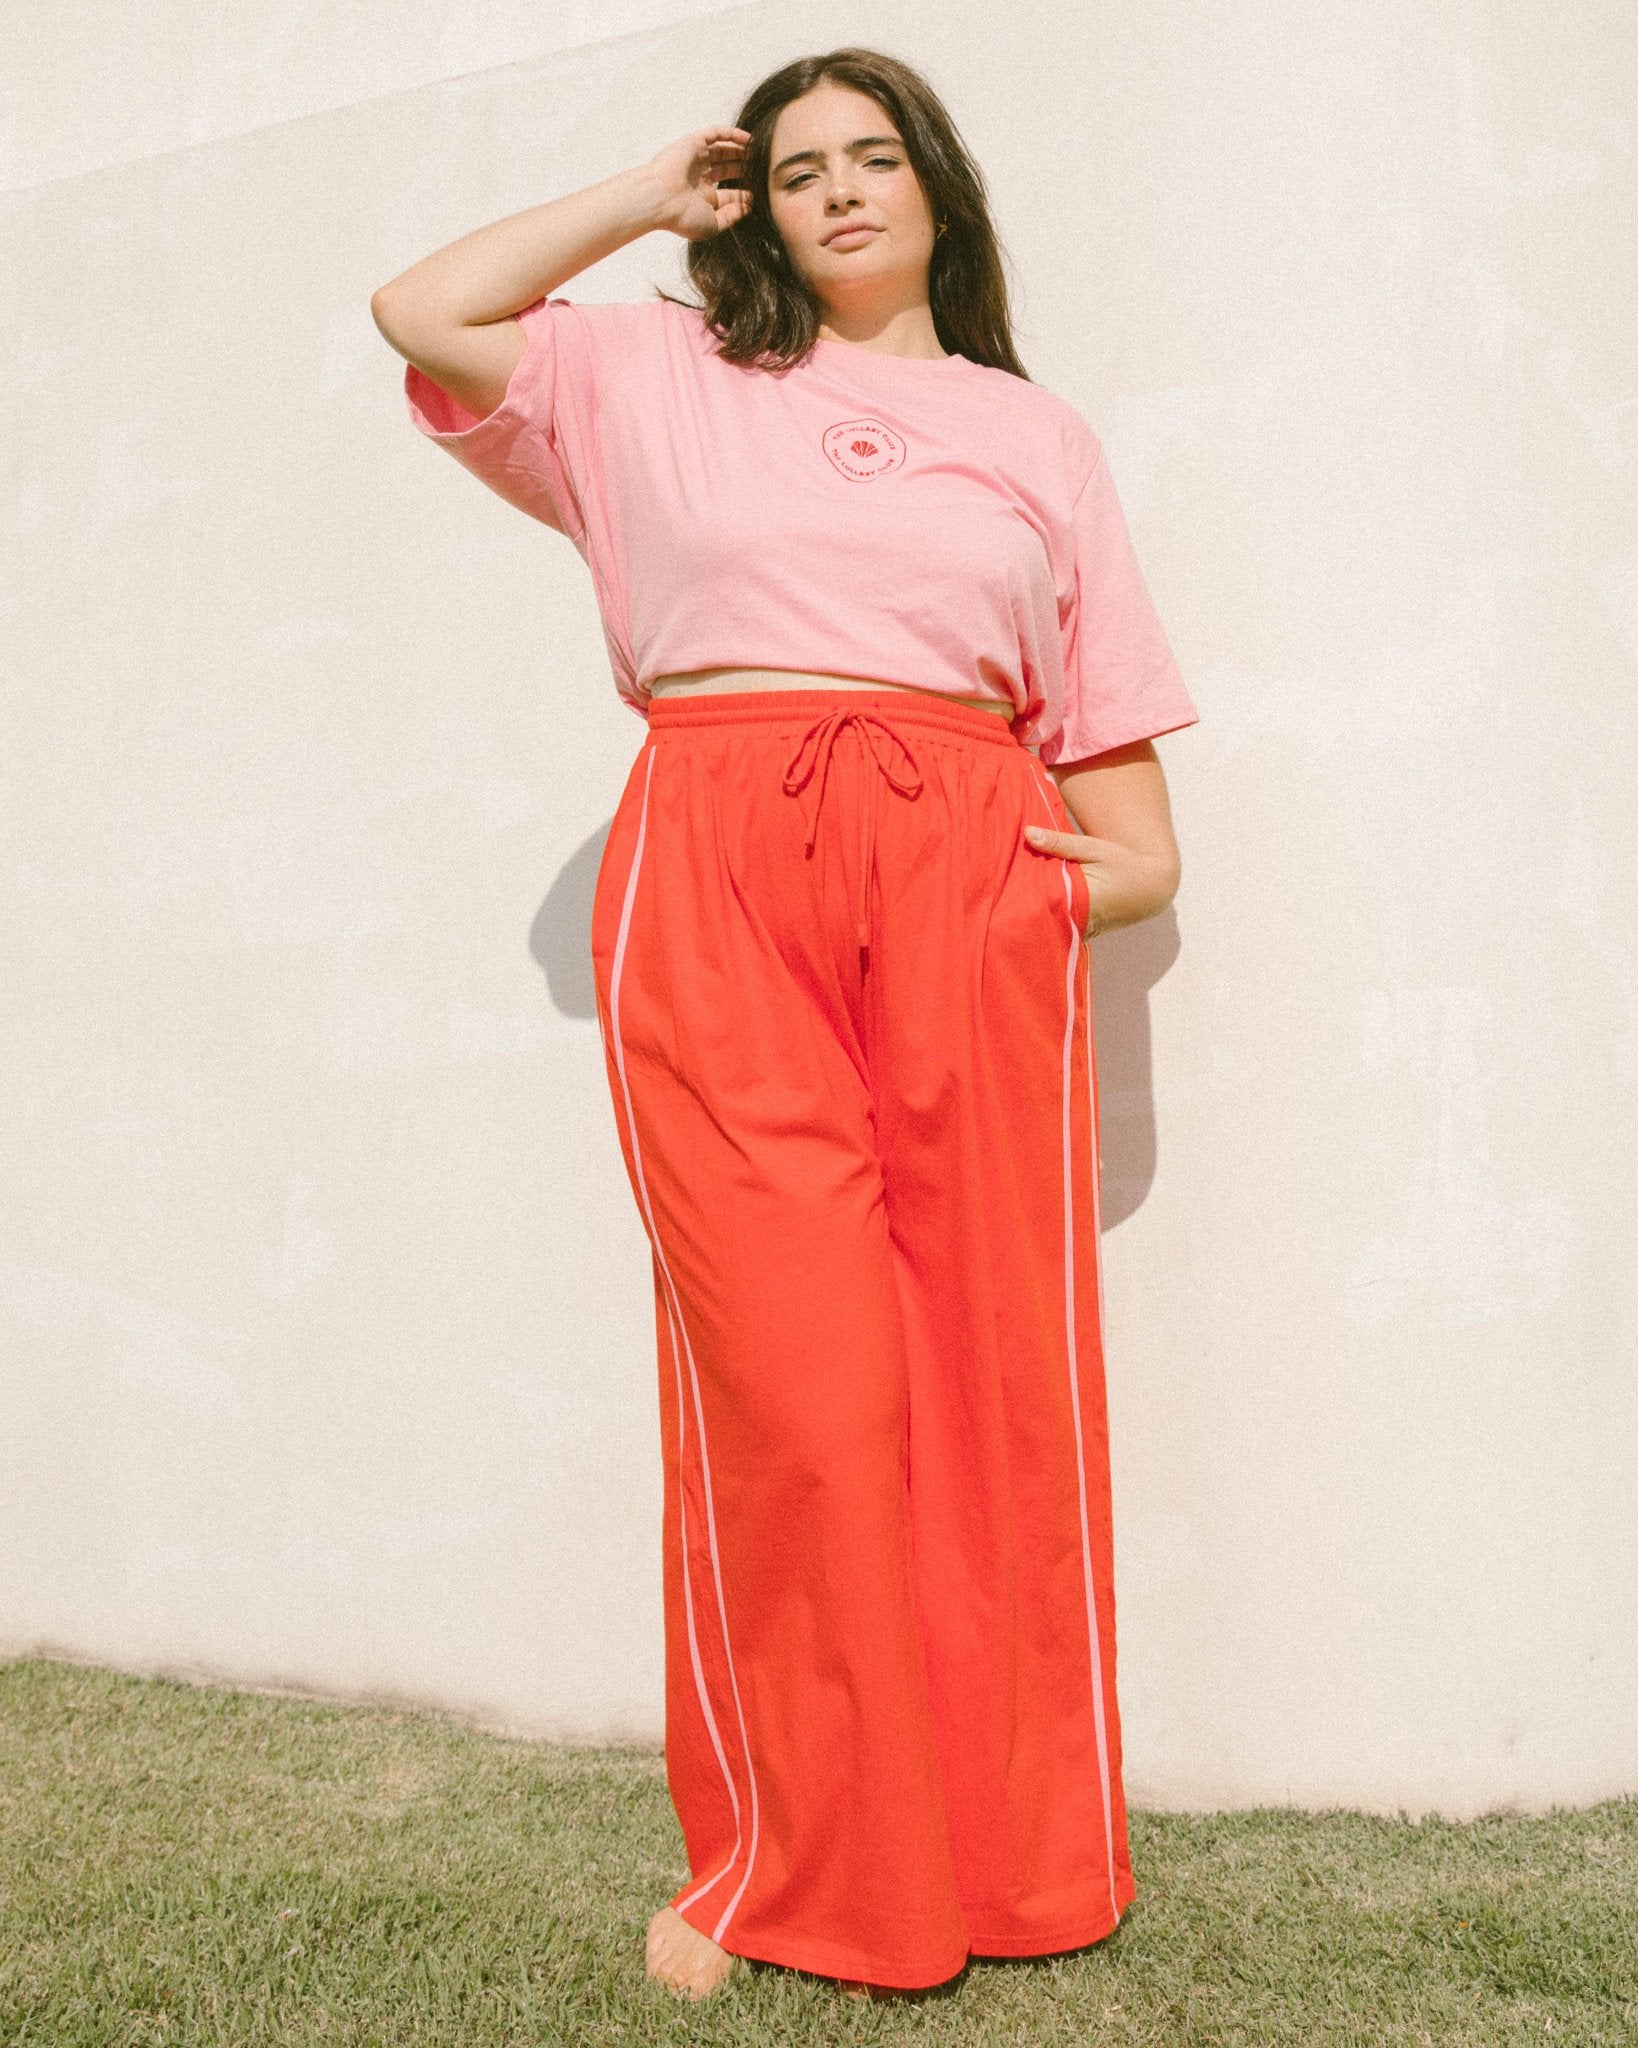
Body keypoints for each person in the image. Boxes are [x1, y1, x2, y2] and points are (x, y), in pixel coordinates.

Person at [371, 44, 1198, 2004]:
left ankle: (1007, 1858)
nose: (834, 188)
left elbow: (1137, 824)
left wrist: (1015, 887)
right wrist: (648, 195)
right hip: (723, 871)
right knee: (797, 1395)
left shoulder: (1036, 434)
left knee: (986, 1387)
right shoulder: (651, 373)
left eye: (871, 155)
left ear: (936, 189)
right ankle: (783, 1865)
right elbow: (424, 311)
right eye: (795, 163)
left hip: (965, 883)